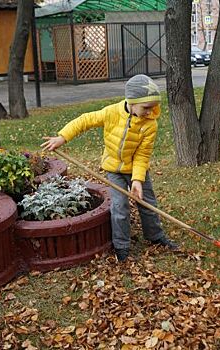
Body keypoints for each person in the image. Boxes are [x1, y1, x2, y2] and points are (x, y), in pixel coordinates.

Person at [41, 74, 179, 262]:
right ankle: (121, 247)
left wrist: (137, 180)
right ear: (132, 102)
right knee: (119, 206)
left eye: (153, 107)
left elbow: (142, 154)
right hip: (114, 170)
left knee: (147, 203)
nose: (150, 112)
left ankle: (155, 236)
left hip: (136, 169)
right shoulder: (111, 113)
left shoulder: (150, 124)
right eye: (146, 107)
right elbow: (85, 120)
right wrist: (62, 137)